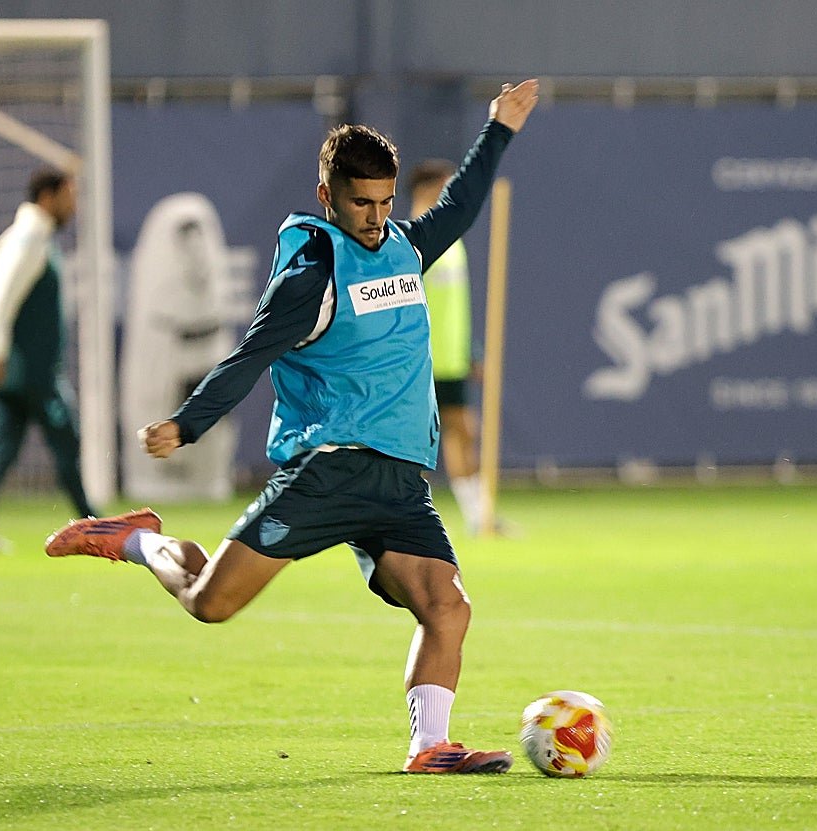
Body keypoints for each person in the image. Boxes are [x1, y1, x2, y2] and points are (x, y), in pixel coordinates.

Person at [45, 80, 540, 773]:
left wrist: (498, 129)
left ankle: (430, 746)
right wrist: (187, 425)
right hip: (329, 469)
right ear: (327, 196)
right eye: (360, 203)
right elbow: (250, 357)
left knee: (447, 606)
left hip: (399, 481)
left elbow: (458, 206)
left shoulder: (405, 246)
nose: (374, 218)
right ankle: (136, 541)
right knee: (211, 603)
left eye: (385, 202)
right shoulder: (312, 273)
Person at [0, 167, 100, 550]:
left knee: (4, 447)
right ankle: (94, 525)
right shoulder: (29, 238)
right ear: (48, 197)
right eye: (70, 196)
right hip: (30, 372)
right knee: (66, 438)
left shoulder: (35, 236)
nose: (75, 205)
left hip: (20, 371)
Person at [409, 159, 490, 535]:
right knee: (413, 444)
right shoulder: (410, 241)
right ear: (426, 189)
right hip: (421, 359)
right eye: (445, 186)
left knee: (465, 433)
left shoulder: (451, 240)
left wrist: (471, 351)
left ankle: (478, 516)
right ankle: (409, 517)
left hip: (452, 358)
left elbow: (456, 303)